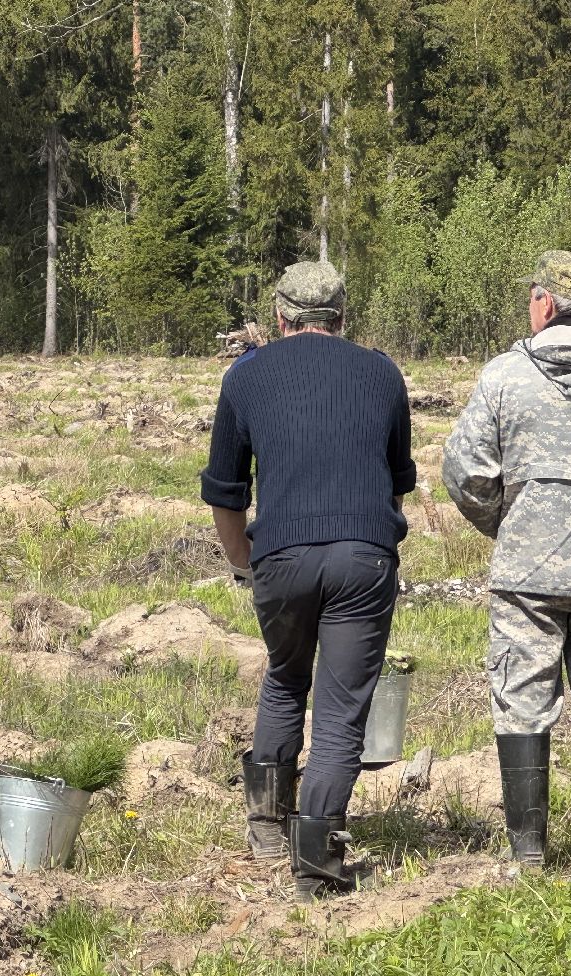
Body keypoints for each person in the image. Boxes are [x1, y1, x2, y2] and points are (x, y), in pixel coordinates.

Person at [200, 261, 415, 900]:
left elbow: (225, 491)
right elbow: (399, 480)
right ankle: (317, 860)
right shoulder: (381, 372)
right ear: (342, 318)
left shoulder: (244, 376)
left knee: (286, 674)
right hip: (363, 555)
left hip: (282, 556)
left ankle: (266, 824)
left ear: (278, 316)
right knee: (343, 709)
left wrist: (245, 563)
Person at [442, 251, 571, 867]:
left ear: (546, 304)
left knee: (521, 694)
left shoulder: (505, 374)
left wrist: (510, 526)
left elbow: (466, 471)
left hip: (527, 569)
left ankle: (529, 853)